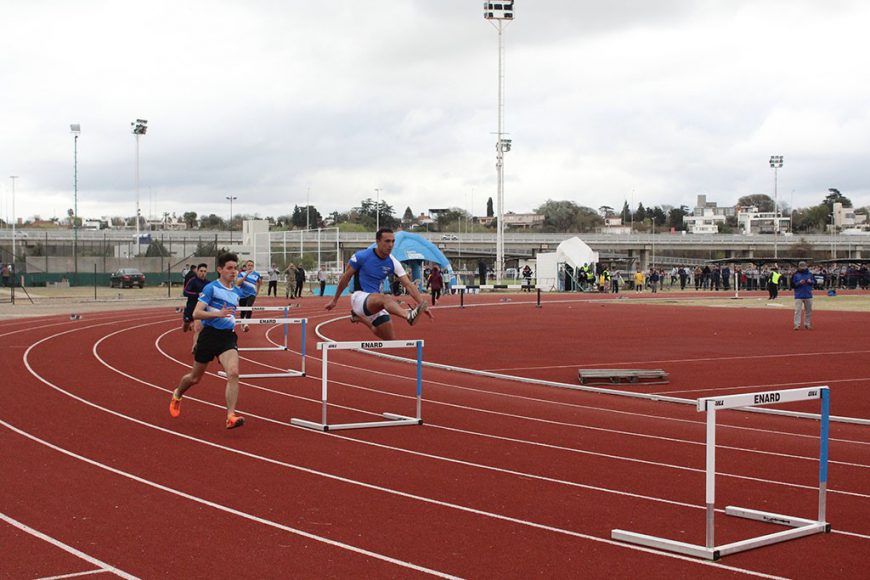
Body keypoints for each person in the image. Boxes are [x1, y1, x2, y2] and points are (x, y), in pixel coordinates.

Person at [169, 252, 246, 429]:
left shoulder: (236, 291)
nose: (233, 272)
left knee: (233, 372)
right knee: (195, 378)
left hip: (227, 336)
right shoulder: (211, 288)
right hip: (209, 335)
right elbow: (196, 313)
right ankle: (178, 393)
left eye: (235, 268)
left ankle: (230, 416)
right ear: (220, 269)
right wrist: (217, 314)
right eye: (229, 268)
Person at [326, 228, 432, 340]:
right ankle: (408, 315)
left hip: (376, 302)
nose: (390, 245)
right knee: (386, 298)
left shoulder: (393, 262)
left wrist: (422, 304)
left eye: (392, 241)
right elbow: (345, 278)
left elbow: (408, 285)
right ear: (377, 241)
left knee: (389, 338)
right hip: (360, 297)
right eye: (387, 241)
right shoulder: (361, 256)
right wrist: (334, 300)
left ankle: (360, 319)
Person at [181, 263, 209, 351]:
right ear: (197, 271)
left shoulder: (209, 283)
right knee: (185, 327)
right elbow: (185, 292)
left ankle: (195, 346)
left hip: (201, 309)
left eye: (204, 271)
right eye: (201, 271)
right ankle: (187, 323)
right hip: (191, 307)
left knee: (198, 328)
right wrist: (197, 295)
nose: (203, 273)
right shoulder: (192, 281)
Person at [235, 260, 261, 331]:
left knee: (249, 307)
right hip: (242, 295)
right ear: (246, 266)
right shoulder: (241, 274)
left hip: (252, 294)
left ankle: (246, 323)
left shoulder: (257, 274)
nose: (250, 267)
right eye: (248, 265)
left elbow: (259, 282)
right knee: (243, 310)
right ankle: (242, 322)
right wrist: (246, 275)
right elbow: (238, 283)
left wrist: (257, 291)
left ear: (253, 266)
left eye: (251, 265)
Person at [792, 261, 814, 330]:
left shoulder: (810, 274)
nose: (803, 268)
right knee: (797, 311)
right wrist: (799, 283)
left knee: (808, 311)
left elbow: (815, 282)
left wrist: (811, 282)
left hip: (808, 295)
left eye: (804, 267)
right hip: (799, 295)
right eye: (801, 267)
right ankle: (796, 325)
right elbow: (792, 285)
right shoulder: (795, 275)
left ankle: (807, 324)